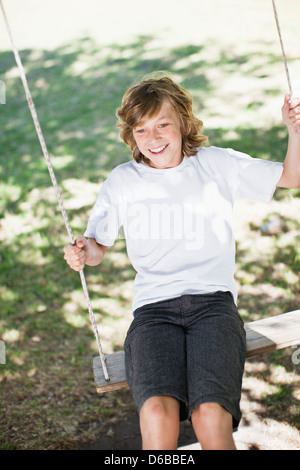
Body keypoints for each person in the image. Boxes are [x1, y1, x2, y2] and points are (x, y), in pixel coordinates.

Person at [64, 75, 300, 450]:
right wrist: (81, 251)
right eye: (142, 129)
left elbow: (291, 176)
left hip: (213, 307)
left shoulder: (216, 164)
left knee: (210, 414)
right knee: (157, 413)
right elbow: (96, 249)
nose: (153, 138)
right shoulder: (123, 181)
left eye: (163, 125)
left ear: (184, 124)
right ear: (131, 133)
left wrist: (294, 131)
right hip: (154, 312)